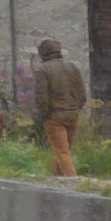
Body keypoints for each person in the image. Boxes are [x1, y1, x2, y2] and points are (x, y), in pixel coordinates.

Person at [33, 38, 87, 177]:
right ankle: (58, 180)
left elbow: (41, 97)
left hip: (54, 116)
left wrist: (43, 115)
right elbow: (82, 94)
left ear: (42, 53)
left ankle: (73, 183)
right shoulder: (73, 67)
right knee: (63, 151)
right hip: (73, 115)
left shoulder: (42, 70)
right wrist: (76, 109)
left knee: (62, 152)